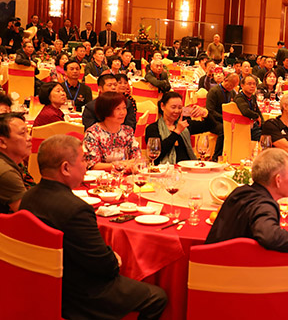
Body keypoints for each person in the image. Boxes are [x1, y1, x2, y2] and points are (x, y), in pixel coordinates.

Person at [20, 135, 168, 319]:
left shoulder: (28, 197)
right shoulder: (76, 209)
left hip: (40, 283)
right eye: (83, 159)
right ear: (65, 168)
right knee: (157, 297)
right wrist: (114, 259)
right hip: (79, 294)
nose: (86, 165)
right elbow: (104, 267)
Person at [205, 148, 288, 319]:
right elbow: (267, 234)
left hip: (211, 280)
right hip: (241, 288)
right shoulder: (264, 204)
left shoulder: (239, 192)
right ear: (278, 180)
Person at [145, 91, 216, 165]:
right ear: (162, 106)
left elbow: (211, 126)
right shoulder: (153, 128)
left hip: (188, 167)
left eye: (179, 108)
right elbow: (157, 152)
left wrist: (205, 113)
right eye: (173, 107)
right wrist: (176, 132)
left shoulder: (185, 124)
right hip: (165, 169)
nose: (177, 111)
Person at [83, 91, 141, 171]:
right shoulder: (93, 133)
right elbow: (93, 165)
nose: (122, 113)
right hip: (102, 177)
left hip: (125, 175)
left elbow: (137, 158)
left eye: (124, 108)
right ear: (106, 111)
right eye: (118, 109)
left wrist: (128, 165)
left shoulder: (127, 131)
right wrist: (119, 165)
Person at [0, 113, 32, 213]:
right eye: (22, 133)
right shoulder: (6, 172)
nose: (29, 138)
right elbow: (28, 213)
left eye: (27, 132)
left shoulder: (16, 162)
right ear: (2, 142)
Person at [206, 72, 239, 158]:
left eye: (234, 86)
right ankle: (216, 156)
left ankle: (232, 155)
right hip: (213, 120)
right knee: (224, 130)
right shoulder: (214, 91)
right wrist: (224, 118)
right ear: (226, 80)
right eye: (231, 85)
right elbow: (210, 110)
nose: (232, 88)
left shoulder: (232, 92)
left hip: (226, 120)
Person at [235, 75, 264, 141]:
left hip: (253, 126)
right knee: (266, 138)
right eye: (249, 84)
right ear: (242, 86)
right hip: (243, 127)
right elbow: (245, 111)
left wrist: (262, 123)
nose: (252, 86)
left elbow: (258, 111)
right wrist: (256, 116)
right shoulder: (239, 98)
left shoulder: (252, 97)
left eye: (254, 84)